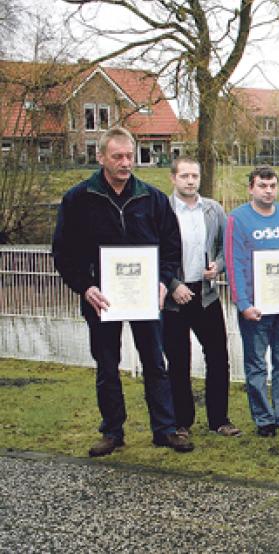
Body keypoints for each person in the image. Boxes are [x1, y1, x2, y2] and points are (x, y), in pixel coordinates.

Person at [52, 127, 193, 456]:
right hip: (102, 299)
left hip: (146, 297)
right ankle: (112, 431)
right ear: (100, 157)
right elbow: (63, 252)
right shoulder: (78, 199)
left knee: (156, 363)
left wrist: (163, 281)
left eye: (130, 156)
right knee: (107, 366)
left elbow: (171, 245)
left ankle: (165, 429)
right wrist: (85, 287)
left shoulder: (152, 197)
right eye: (118, 156)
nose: (126, 162)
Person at [225, 166, 279, 437]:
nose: (268, 191)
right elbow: (233, 263)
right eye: (262, 186)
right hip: (255, 307)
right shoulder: (237, 219)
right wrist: (243, 303)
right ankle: (263, 419)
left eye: (272, 186)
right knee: (257, 364)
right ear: (251, 188)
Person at [163, 156, 240, 438]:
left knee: (218, 356)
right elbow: (154, 253)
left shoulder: (213, 210)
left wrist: (217, 267)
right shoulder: (163, 210)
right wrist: (172, 284)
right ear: (173, 178)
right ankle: (181, 421)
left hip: (206, 295)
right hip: (174, 297)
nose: (191, 181)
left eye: (194, 175)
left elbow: (224, 247)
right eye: (184, 176)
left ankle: (219, 419)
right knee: (178, 359)